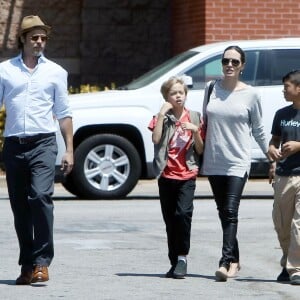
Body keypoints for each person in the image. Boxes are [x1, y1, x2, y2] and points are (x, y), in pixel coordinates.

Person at [0, 15, 73, 285]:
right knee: (20, 208)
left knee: (40, 197)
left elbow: (64, 114)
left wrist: (69, 150)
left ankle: (42, 261)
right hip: (14, 145)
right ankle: (27, 265)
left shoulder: (55, 72)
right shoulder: (5, 70)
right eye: (34, 38)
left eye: (43, 38)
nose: (39, 42)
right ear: (23, 40)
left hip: (43, 143)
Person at [201, 46, 271, 281]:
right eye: (225, 61)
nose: (229, 65)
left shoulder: (251, 95)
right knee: (224, 214)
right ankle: (235, 261)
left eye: (235, 61)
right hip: (214, 161)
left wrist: (271, 158)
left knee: (230, 211)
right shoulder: (211, 89)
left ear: (243, 66)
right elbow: (205, 124)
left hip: (238, 162)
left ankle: (225, 261)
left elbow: (259, 130)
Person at [148, 76, 203, 279]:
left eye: (181, 92)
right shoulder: (161, 117)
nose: (178, 96)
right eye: (173, 93)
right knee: (170, 220)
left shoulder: (195, 117)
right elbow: (155, 139)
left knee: (183, 214)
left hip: (187, 174)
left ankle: (182, 258)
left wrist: (195, 131)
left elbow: (200, 149)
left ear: (186, 94)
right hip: (166, 175)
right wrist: (162, 115)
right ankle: (174, 261)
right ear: (166, 97)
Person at [268, 70, 300, 285]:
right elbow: (274, 140)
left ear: (299, 88)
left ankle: (296, 268)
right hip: (282, 175)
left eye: (287, 86)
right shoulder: (281, 114)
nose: (283, 90)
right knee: (282, 223)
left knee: (298, 224)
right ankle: (288, 260)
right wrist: (271, 151)